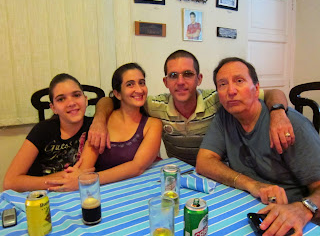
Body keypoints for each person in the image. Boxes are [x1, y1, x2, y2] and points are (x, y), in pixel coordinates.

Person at [89, 50, 294, 166]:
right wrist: (99, 121)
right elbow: (109, 100)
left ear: (199, 79)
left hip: (219, 172)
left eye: (187, 74)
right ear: (165, 82)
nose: (180, 82)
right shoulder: (154, 105)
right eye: (173, 76)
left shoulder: (219, 98)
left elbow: (272, 92)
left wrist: (278, 113)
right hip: (179, 174)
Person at [196, 57, 320, 235]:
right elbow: (204, 161)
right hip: (252, 210)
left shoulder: (291, 125)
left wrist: (303, 208)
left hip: (296, 219)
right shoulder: (225, 117)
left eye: (239, 81)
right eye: (222, 84)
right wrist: (252, 185)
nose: (231, 90)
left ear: (257, 89)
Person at [45, 63, 162, 191]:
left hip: (137, 189)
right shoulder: (102, 122)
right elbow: (84, 168)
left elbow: (137, 167)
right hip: (100, 191)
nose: (139, 89)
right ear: (117, 94)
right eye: (130, 84)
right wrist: (82, 178)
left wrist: (89, 179)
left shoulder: (153, 124)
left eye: (142, 82)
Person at [3, 73, 93, 192]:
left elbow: (84, 174)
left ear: (85, 99)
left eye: (76, 95)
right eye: (61, 99)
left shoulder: (95, 127)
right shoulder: (42, 130)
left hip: (76, 194)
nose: (71, 103)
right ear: (53, 108)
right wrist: (66, 178)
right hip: (43, 195)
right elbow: (10, 182)